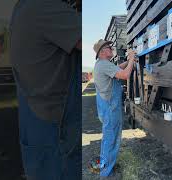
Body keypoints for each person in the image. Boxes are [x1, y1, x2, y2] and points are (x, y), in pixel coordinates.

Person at [9, 0, 81, 179]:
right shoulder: (45, 6)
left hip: (40, 126)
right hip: (57, 133)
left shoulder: (23, 7)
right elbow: (90, 40)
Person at [93, 39, 136, 178]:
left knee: (108, 139)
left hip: (106, 107)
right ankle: (106, 174)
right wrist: (131, 59)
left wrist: (129, 61)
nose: (111, 48)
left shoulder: (102, 65)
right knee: (111, 139)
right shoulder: (104, 65)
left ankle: (105, 166)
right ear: (102, 51)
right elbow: (124, 75)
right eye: (108, 47)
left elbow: (118, 68)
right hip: (110, 108)